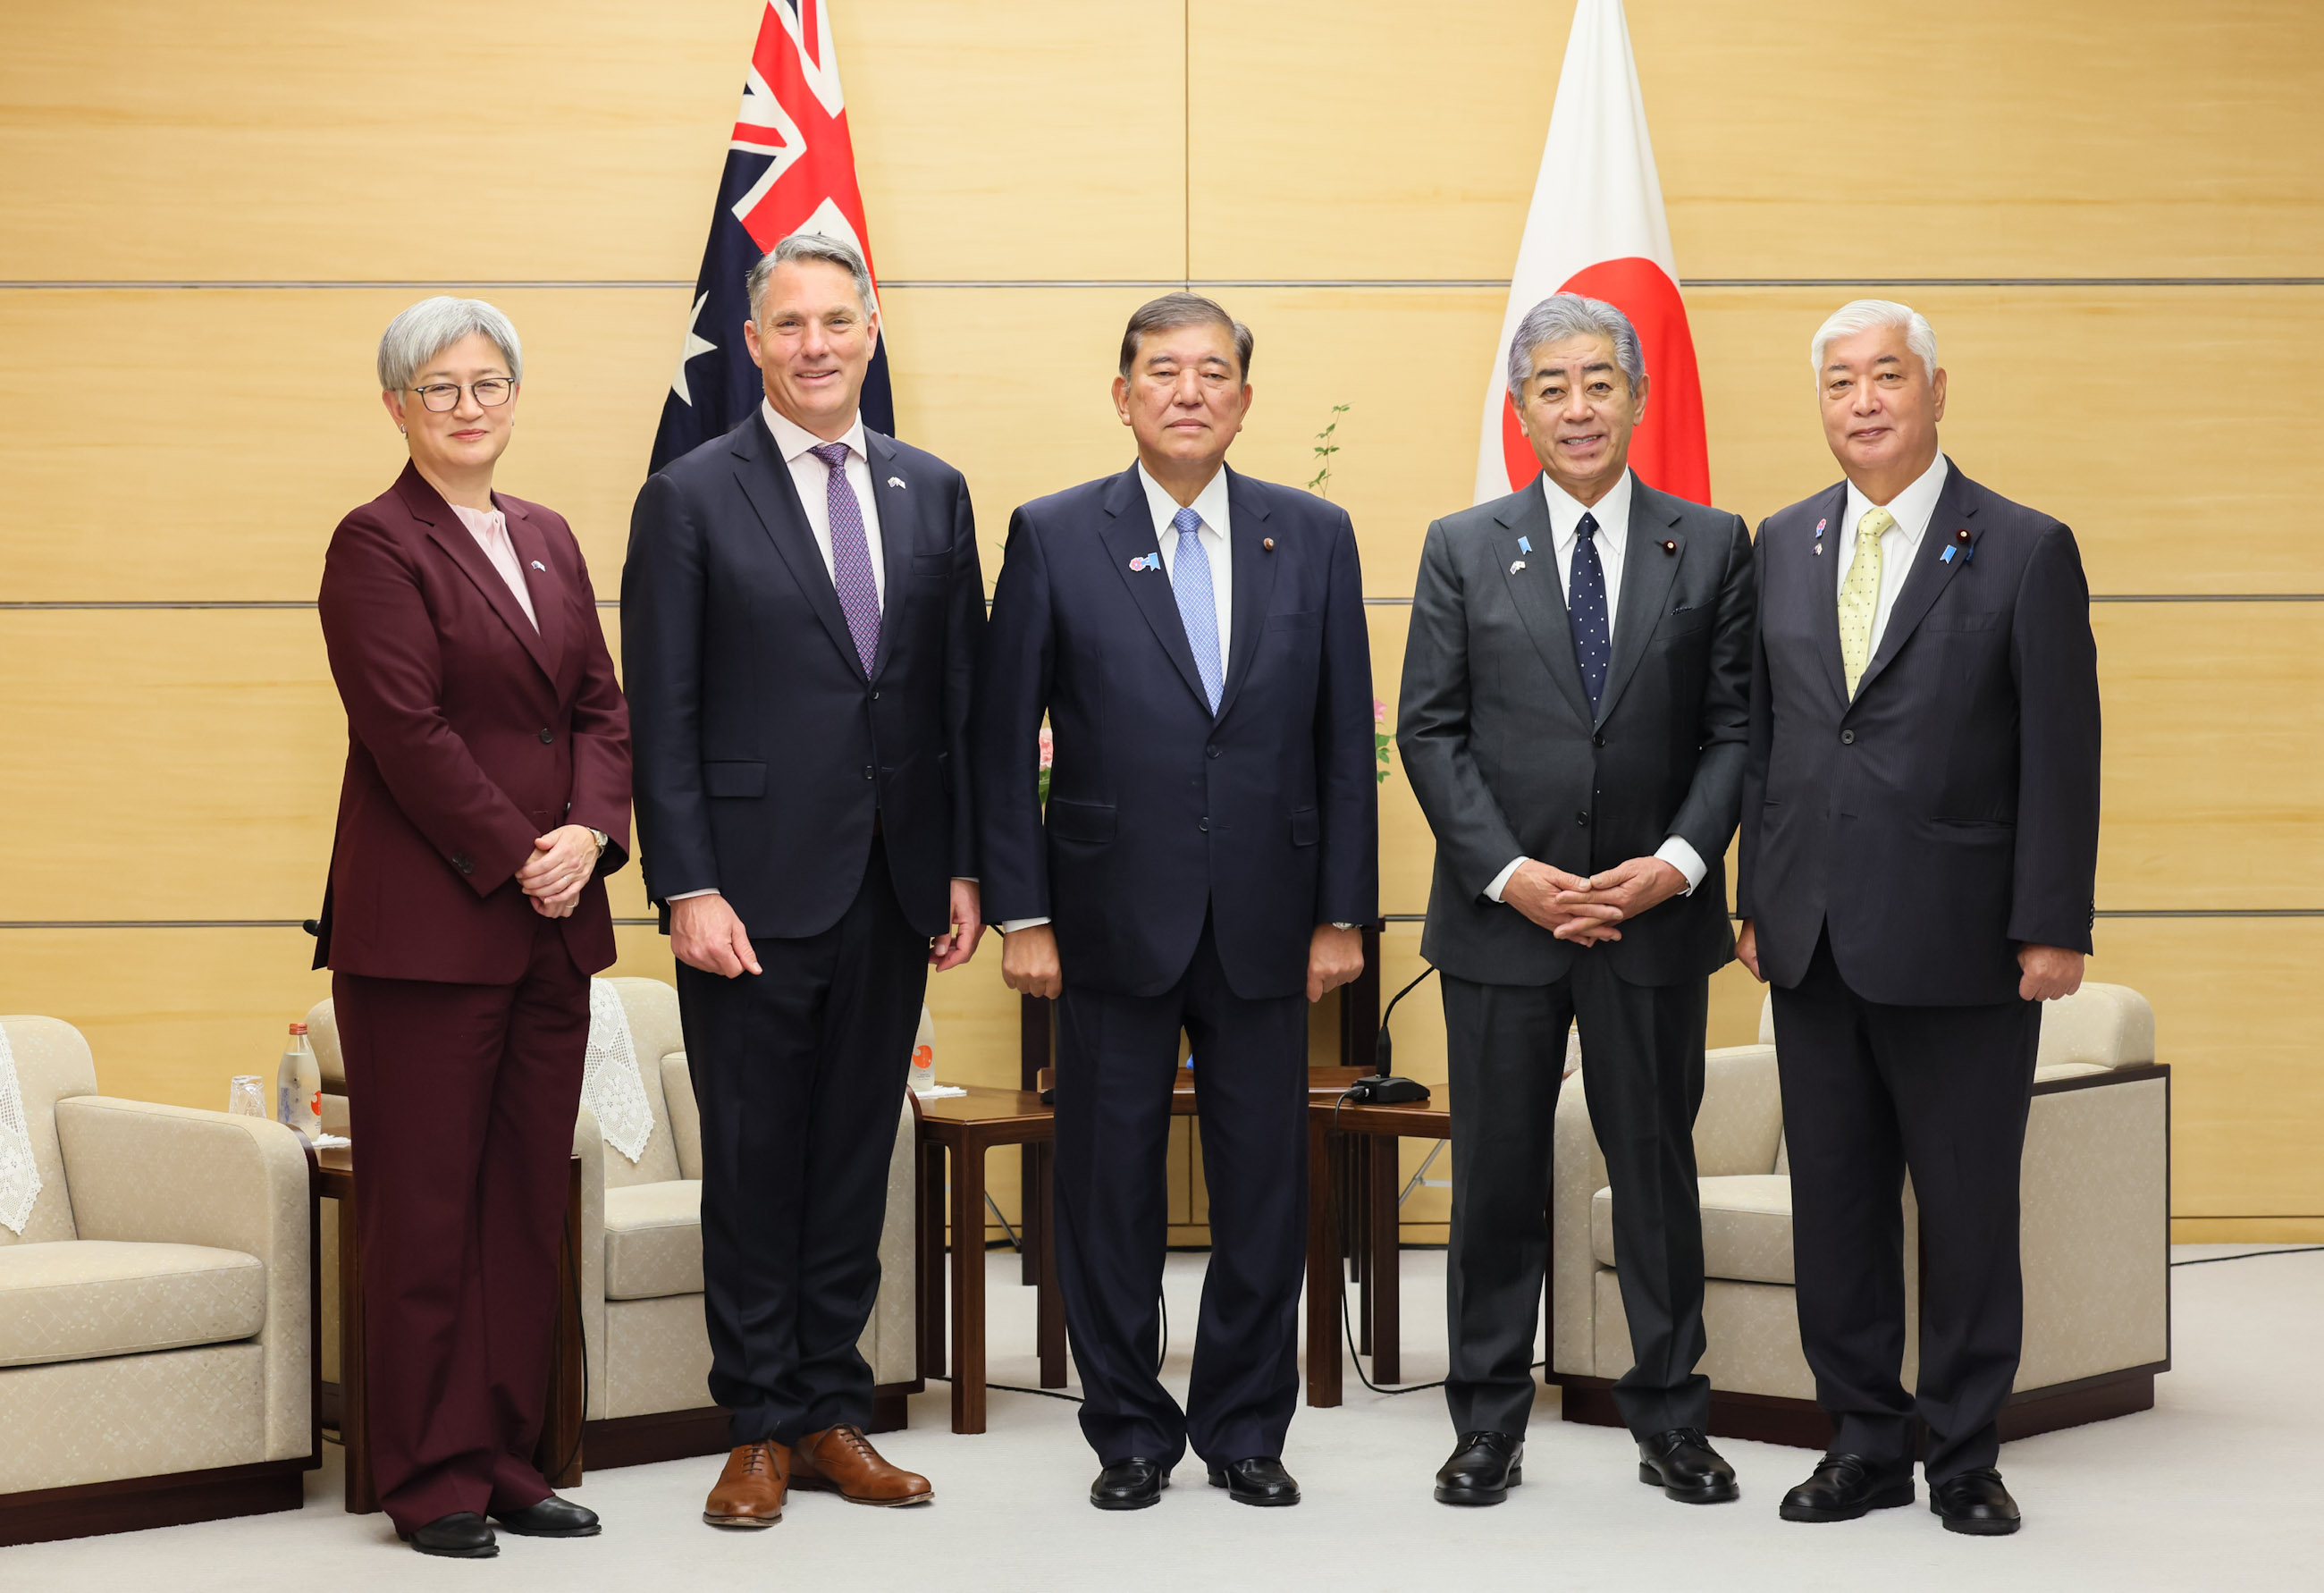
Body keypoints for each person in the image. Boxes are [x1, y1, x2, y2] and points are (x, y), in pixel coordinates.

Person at [974, 293, 1377, 1512]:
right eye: (1164, 370)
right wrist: (1023, 915)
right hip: (1105, 920)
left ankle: (1248, 1428)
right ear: (1123, 394)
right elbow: (1002, 742)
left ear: (1246, 400)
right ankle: (1131, 1433)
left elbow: (1338, 735)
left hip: (1269, 920)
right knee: (1109, 1187)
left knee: (1263, 1186)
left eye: (1214, 372)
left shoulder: (1312, 534)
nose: (1189, 390)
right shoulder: (1054, 534)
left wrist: (1342, 912)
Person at [622, 233, 983, 1530]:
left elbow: (957, 697)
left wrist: (960, 863)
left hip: (895, 887)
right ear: (757, 341)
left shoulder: (934, 491)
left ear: (871, 330)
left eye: (840, 320)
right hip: (749, 897)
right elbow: (658, 713)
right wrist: (687, 885)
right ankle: (758, 1424)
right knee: (759, 1161)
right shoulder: (691, 493)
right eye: (793, 324)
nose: (818, 344)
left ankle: (836, 1412)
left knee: (851, 1162)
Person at [1736, 299, 2101, 1536]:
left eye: (1886, 375)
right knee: (1834, 1205)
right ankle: (1863, 1441)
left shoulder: (2023, 546)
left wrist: (2053, 925)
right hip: (1813, 939)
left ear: (1938, 389)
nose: (1863, 401)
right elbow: (1772, 740)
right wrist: (1757, 898)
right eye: (1839, 382)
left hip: (1963, 941)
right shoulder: (1781, 542)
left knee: (1966, 1205)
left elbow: (2062, 754)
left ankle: (1963, 1452)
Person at [1397, 294, 1755, 1508]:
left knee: (1654, 1170)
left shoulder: (1709, 542)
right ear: (1521, 408)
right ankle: (1487, 1424)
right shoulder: (1461, 543)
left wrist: (1677, 862)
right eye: (1552, 385)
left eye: (1599, 381)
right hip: (1505, 921)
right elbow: (1431, 731)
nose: (1578, 405)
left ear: (1637, 396)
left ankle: (1670, 1416)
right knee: (1496, 1178)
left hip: (1654, 918)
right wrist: (1512, 874)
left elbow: (1734, 730)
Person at [315, 297, 630, 1557]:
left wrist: (592, 837)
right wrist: (522, 853)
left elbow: (603, 711)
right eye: (437, 388)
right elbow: (406, 730)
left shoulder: (548, 536)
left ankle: (504, 1451)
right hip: (427, 941)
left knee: (518, 1205)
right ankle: (428, 1472)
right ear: (397, 406)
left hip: (552, 928)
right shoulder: (374, 544)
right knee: (427, 1206)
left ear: (514, 395)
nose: (466, 407)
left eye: (486, 383)